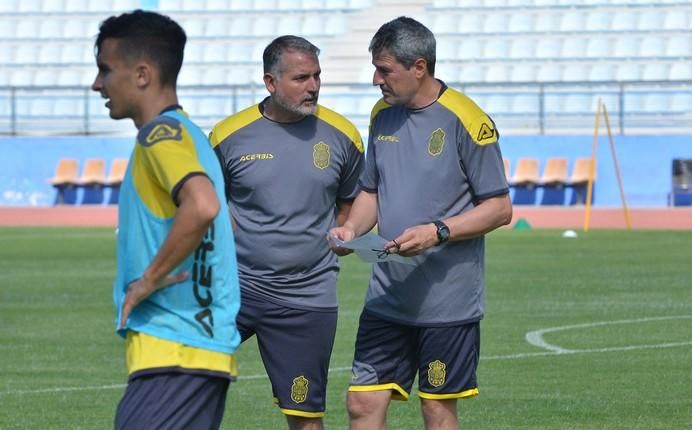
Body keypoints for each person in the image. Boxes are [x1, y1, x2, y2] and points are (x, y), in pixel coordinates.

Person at [328, 17, 513, 430]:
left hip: (447, 305)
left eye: (385, 69)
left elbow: (500, 208)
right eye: (375, 68)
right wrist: (351, 231)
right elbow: (372, 190)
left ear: (419, 67)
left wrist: (437, 231)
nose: (376, 79)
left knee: (436, 409)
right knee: (362, 403)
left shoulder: (468, 120)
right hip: (387, 297)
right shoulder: (382, 114)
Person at [91, 10, 241, 430]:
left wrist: (148, 280)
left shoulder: (160, 135)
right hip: (191, 354)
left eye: (105, 69)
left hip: (175, 349)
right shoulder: (187, 133)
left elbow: (202, 204)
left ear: (142, 74)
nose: (97, 84)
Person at [209, 35, 364, 430]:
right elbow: (203, 203)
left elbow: (352, 206)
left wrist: (348, 233)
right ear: (270, 82)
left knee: (305, 418)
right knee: (186, 385)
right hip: (233, 291)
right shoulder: (227, 136)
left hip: (306, 297)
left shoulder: (343, 136)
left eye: (316, 76)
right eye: (300, 78)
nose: (312, 86)